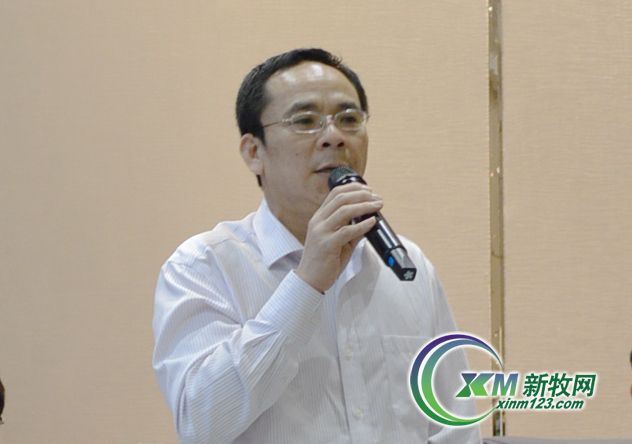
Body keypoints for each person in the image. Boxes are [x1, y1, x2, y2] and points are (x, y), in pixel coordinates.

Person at [152, 48, 480, 444]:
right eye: (305, 121)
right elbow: (202, 422)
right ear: (254, 152)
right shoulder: (203, 266)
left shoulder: (407, 264)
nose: (334, 137)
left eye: (349, 119)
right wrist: (306, 284)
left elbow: (455, 420)